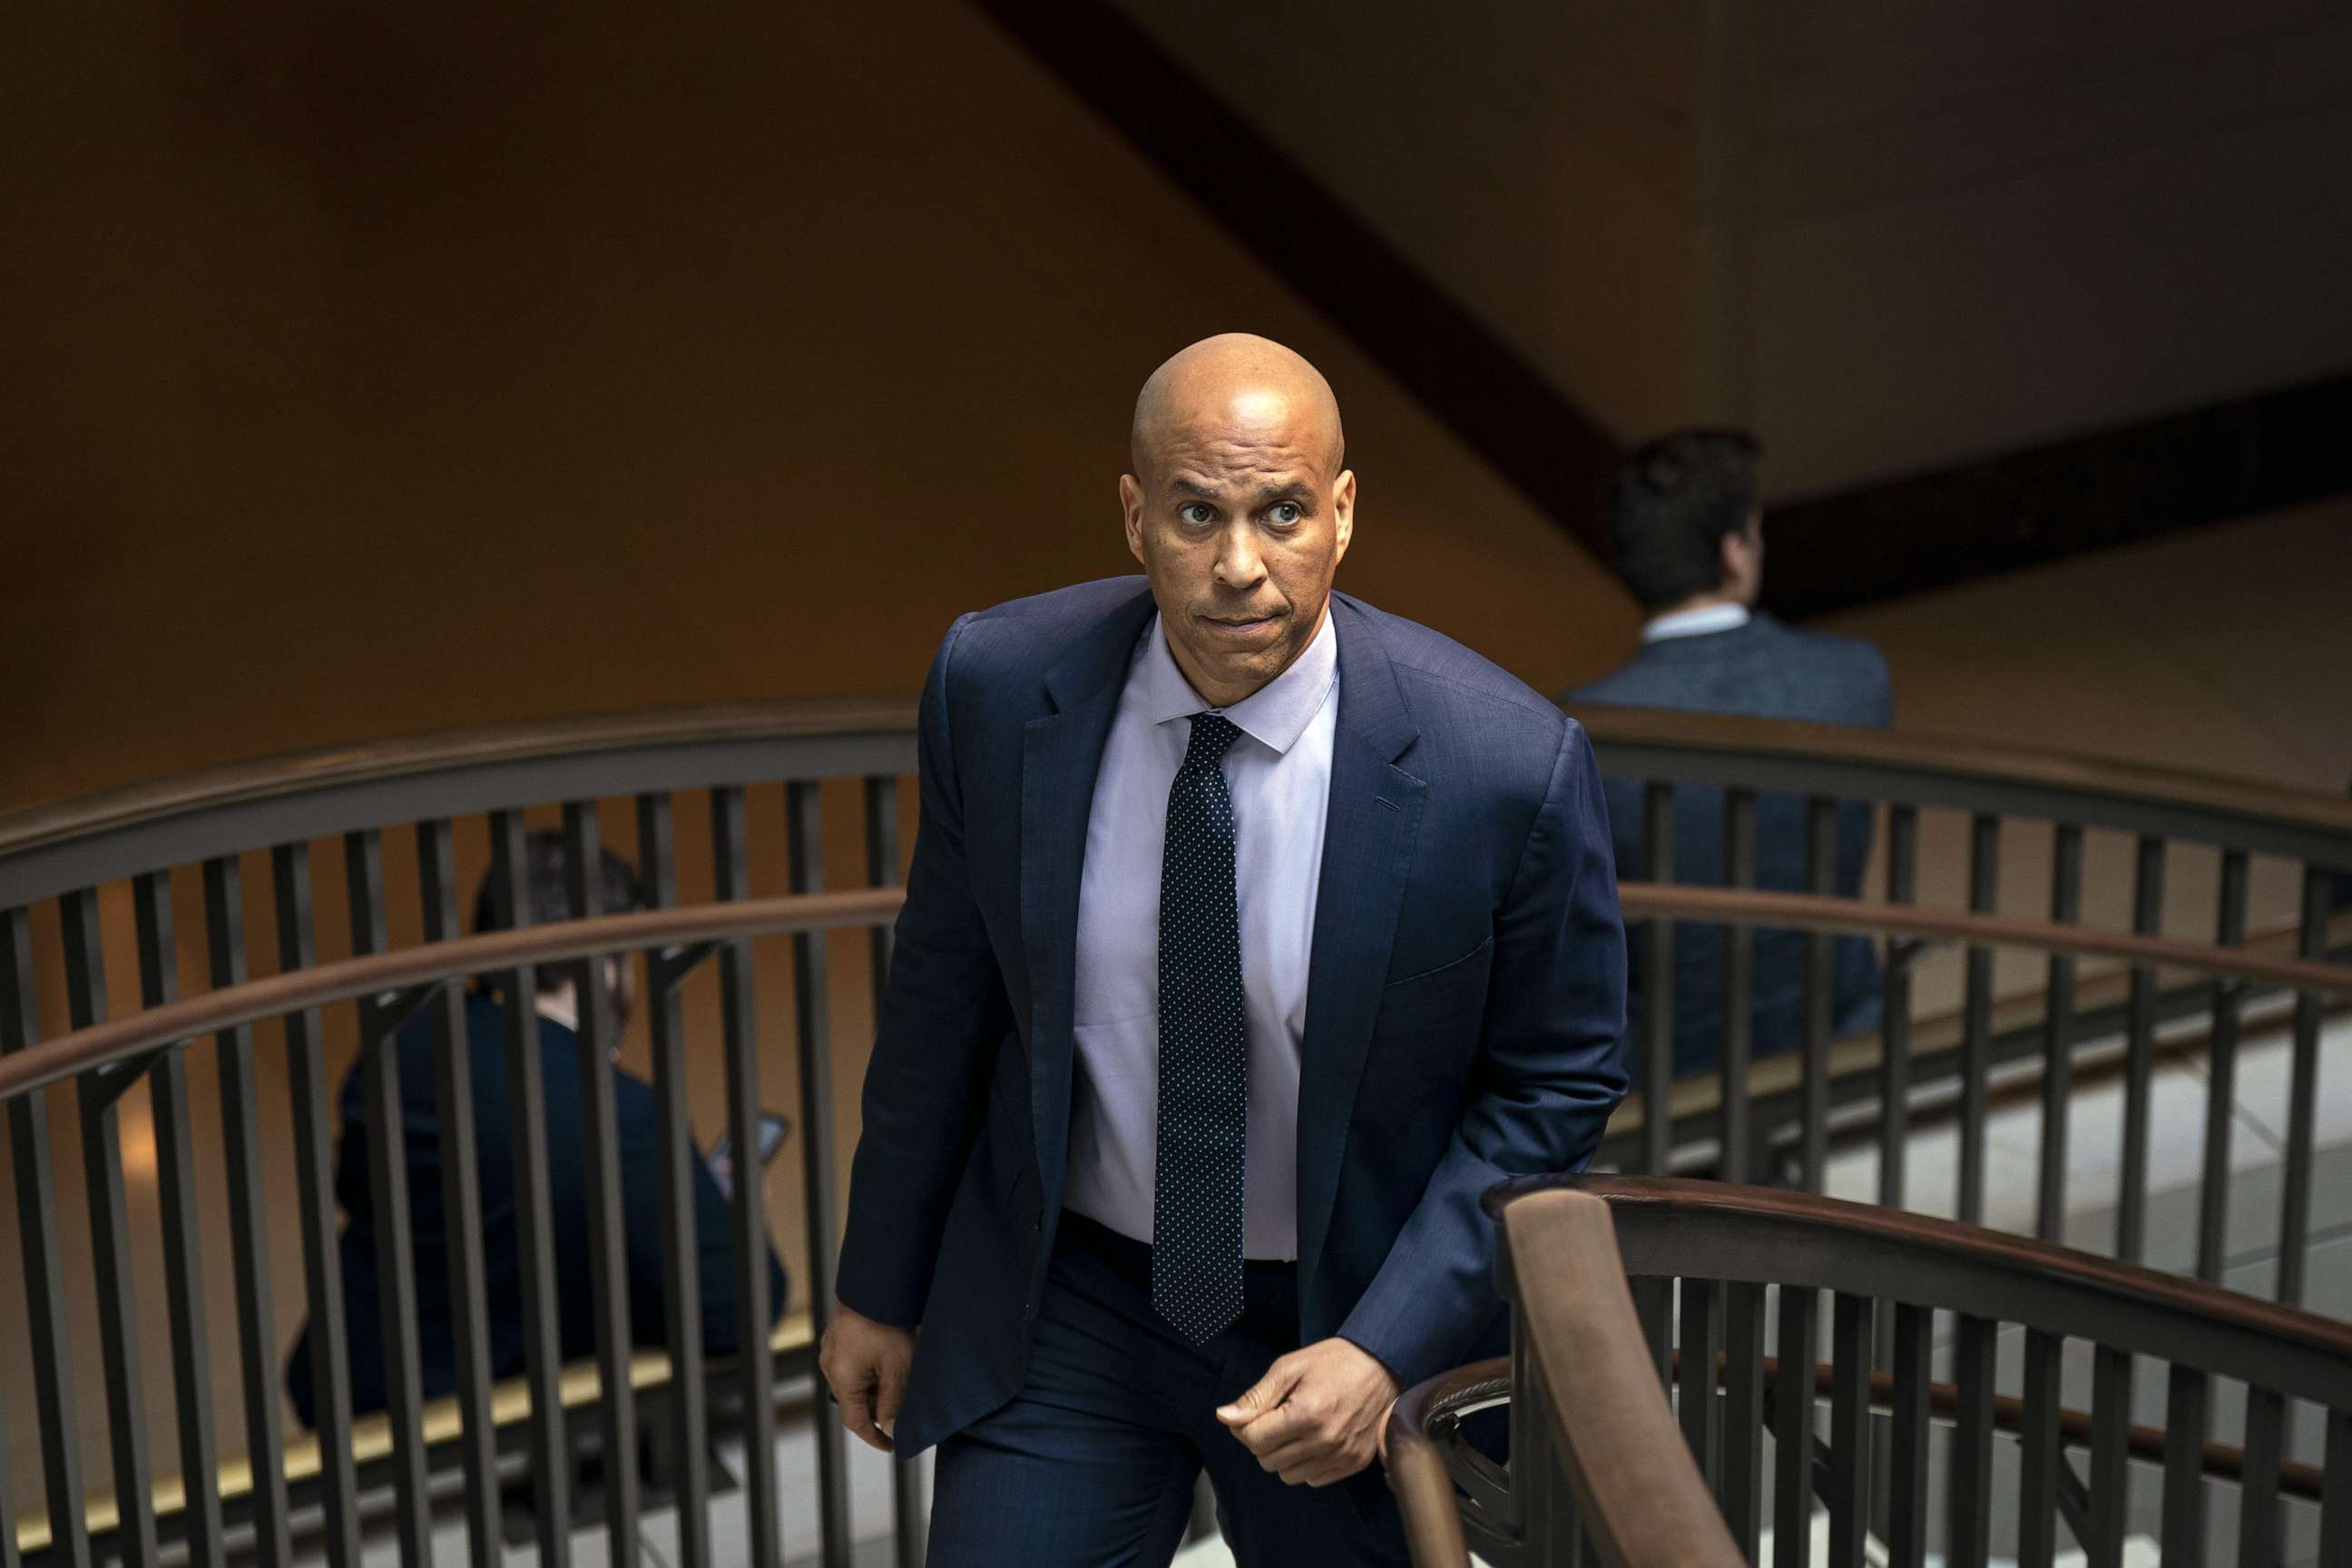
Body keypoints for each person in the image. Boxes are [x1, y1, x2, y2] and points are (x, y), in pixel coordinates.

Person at [818, 334, 1627, 1565]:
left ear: (1344, 515)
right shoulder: (997, 683)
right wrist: (880, 1281)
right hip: (1075, 1297)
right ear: (1136, 516)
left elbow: (1555, 1080)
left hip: (1337, 1312)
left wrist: (1387, 1343)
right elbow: (945, 993)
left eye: (1283, 513)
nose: (1241, 567)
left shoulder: (1503, 767)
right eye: (1198, 513)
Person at [285, 832, 789, 1429]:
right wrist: (731, 1211)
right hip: (506, 1439)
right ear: (604, 960)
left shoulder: (399, 1055)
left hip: (355, 1417)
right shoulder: (613, 1109)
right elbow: (736, 1309)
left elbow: (365, 1190)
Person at [1563, 429, 1892, 1081]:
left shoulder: (1571, 733)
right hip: (1838, 1034)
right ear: (1735, 552)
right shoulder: (1854, 678)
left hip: (1663, 1069)